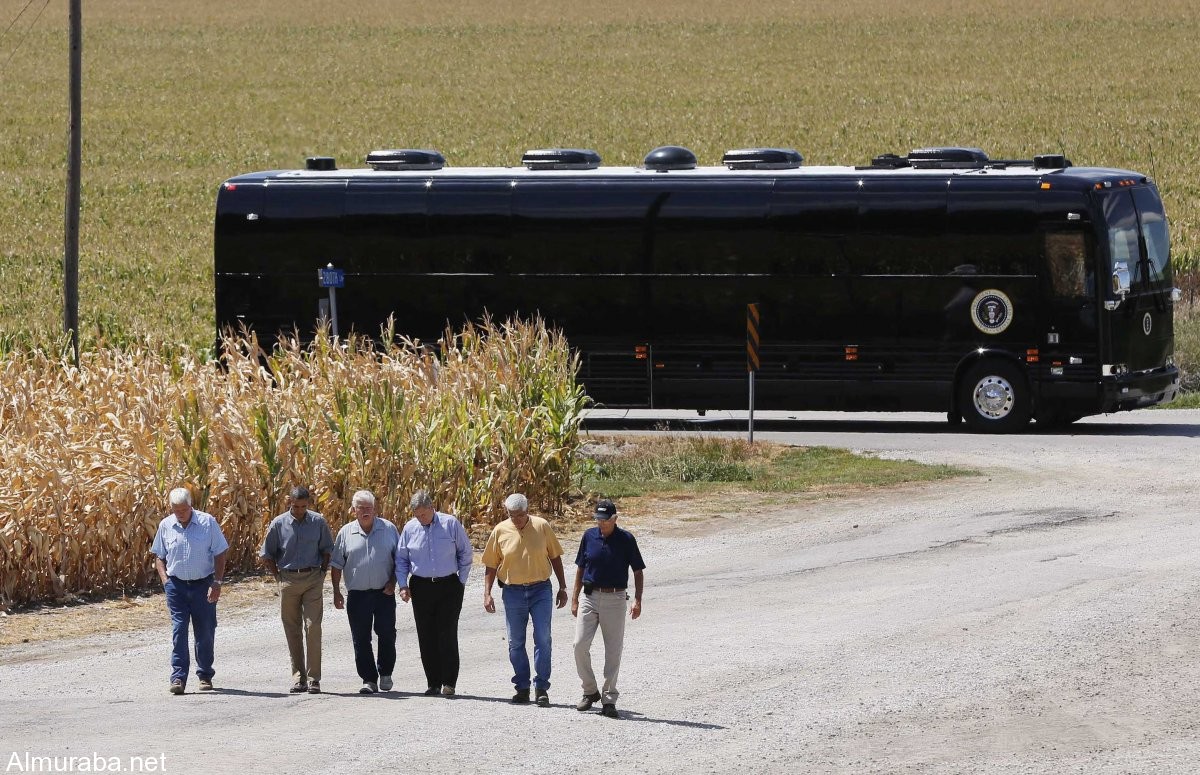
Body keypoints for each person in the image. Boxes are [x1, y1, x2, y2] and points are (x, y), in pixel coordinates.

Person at [482, 493, 568, 706]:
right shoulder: (500, 530)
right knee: (515, 642)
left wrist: (563, 587)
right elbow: (491, 564)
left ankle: (541, 688)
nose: (517, 520)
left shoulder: (542, 526)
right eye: (512, 515)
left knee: (543, 638)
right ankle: (522, 687)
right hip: (513, 592)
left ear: (527, 511)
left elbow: (555, 557)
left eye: (520, 515)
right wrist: (487, 592)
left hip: (541, 590)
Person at [571, 498, 645, 719]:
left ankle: (609, 698)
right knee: (579, 644)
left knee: (613, 650)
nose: (600, 524)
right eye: (597, 519)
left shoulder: (626, 539)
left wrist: (638, 600)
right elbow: (580, 568)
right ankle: (590, 690)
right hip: (589, 596)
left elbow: (638, 571)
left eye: (604, 520)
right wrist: (574, 598)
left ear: (615, 519)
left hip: (615, 598)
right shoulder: (588, 536)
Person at [150, 487, 229, 695]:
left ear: (190, 506)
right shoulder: (166, 525)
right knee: (179, 630)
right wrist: (166, 581)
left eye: (183, 510)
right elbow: (159, 556)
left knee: (205, 631)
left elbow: (220, 552)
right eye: (176, 510)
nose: (180, 514)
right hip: (176, 586)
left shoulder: (207, 522)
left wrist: (217, 582)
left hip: (203, 585)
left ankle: (204, 674)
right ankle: (178, 677)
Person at [395, 490, 473, 697]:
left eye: (424, 514)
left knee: (447, 633)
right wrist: (403, 585)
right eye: (417, 515)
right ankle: (433, 683)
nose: (421, 519)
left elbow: (465, 553)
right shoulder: (410, 528)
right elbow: (402, 558)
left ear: (432, 508)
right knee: (426, 634)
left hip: (449, 585)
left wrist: (461, 581)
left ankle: (449, 683)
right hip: (421, 586)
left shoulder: (450, 524)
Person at [259, 485, 334, 694]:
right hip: (288, 579)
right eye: (296, 506)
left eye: (303, 506)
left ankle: (314, 678)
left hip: (312, 579)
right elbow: (267, 554)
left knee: (313, 628)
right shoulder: (278, 524)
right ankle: (298, 677)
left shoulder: (318, 521)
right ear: (289, 503)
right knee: (292, 630)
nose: (300, 510)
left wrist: (321, 573)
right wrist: (279, 578)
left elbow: (327, 549)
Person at [330, 490, 400, 694]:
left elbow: (400, 559)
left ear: (375, 509)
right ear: (353, 511)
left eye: (369, 508)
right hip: (357, 595)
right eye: (361, 508)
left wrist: (394, 582)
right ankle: (369, 679)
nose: (365, 511)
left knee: (387, 633)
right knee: (360, 638)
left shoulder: (388, 529)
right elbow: (336, 564)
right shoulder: (345, 533)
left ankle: (385, 673)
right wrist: (336, 591)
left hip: (384, 592)